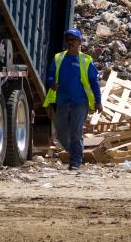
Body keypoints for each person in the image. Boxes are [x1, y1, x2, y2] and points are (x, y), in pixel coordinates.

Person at [43, 27, 102, 170]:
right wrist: (51, 83)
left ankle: (76, 161)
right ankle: (76, 152)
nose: (70, 42)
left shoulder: (85, 60)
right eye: (68, 39)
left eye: (73, 40)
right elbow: (50, 74)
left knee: (76, 131)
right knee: (61, 133)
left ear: (80, 42)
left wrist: (98, 101)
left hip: (79, 102)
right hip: (62, 101)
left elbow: (94, 82)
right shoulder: (58, 58)